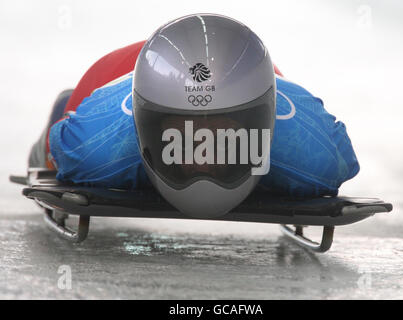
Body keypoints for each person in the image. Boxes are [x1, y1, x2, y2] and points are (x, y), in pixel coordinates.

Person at [29, 14, 360, 217]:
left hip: (247, 74)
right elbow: (62, 141)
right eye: (184, 138)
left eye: (221, 139)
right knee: (60, 143)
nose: (203, 161)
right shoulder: (95, 144)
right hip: (119, 73)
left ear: (263, 123)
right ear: (144, 126)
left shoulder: (312, 152)